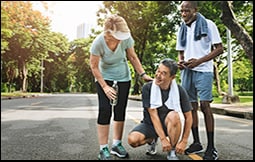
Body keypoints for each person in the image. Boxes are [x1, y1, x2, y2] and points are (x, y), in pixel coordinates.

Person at [89, 14, 153, 160]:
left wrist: (142, 74)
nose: (121, 38)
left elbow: (133, 57)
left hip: (123, 76)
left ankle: (117, 145)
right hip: (104, 76)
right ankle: (103, 148)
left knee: (120, 110)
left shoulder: (126, 38)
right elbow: (93, 66)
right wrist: (105, 86)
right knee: (105, 110)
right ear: (109, 33)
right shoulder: (98, 42)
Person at [176, 1, 224, 160]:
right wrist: (181, 62)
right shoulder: (182, 28)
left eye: (187, 11)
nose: (183, 14)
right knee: (190, 108)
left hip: (204, 70)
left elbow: (219, 48)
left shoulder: (208, 24)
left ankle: (211, 147)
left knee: (204, 105)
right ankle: (196, 142)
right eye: (182, 11)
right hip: (187, 72)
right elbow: (181, 51)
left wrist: (200, 61)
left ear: (195, 10)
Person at [128, 58, 193, 160]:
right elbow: (153, 115)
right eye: (158, 70)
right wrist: (162, 138)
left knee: (174, 116)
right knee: (133, 140)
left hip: (169, 125)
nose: (158, 75)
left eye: (163, 73)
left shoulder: (180, 90)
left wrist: (184, 140)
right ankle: (152, 140)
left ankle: (172, 150)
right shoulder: (147, 88)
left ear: (172, 77)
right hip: (150, 124)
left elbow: (189, 117)